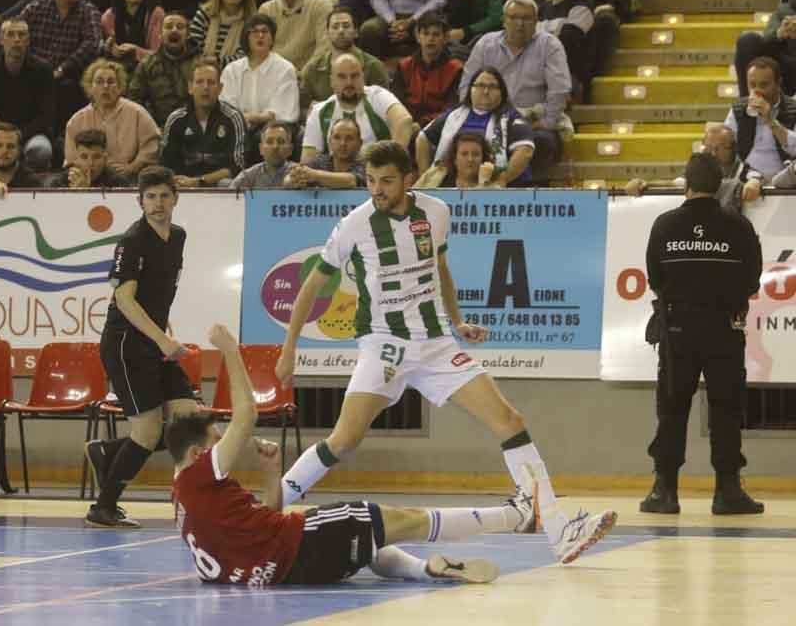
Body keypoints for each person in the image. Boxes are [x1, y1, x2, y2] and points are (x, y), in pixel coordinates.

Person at [274, 140, 617, 564]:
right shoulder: (354, 225)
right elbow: (311, 285)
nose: (376, 190)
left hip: (436, 344)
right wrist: (289, 349)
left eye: (386, 181)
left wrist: (456, 321)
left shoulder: (437, 213)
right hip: (385, 345)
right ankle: (271, 506)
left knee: (510, 420)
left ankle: (558, 528)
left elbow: (440, 268)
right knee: (345, 439)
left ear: (408, 180)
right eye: (370, 181)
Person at [169, 323, 533, 586]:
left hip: (295, 573)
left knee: (368, 546)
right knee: (407, 520)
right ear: (199, 453)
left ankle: (427, 571)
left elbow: (261, 524)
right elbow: (246, 417)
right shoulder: (200, 475)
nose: (222, 448)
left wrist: (271, 474)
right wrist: (230, 350)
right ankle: (514, 515)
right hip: (302, 543)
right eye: (216, 443)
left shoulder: (182, 501)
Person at [642, 152, 764, 516]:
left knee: (672, 409)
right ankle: (727, 492)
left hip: (677, 331)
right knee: (726, 410)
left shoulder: (664, 225)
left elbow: (655, 278)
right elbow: (753, 279)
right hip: (724, 331)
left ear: (688, 183)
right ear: (720, 183)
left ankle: (665, 491)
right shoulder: (738, 226)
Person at [82, 166, 200, 527]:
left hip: (153, 344)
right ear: (140, 201)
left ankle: (109, 452)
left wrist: (162, 338)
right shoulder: (132, 241)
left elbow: (160, 295)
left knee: (189, 421)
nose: (158, 203)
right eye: (150, 197)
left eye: (164, 195)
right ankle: (103, 507)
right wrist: (163, 339)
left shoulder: (177, 237)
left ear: (175, 198)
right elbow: (126, 300)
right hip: (126, 345)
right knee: (147, 431)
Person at [459, 0, 571, 180]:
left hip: (532, 122)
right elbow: (466, 86)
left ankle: (518, 193)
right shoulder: (486, 44)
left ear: (536, 22)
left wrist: (546, 122)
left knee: (542, 141)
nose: (519, 24)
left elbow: (559, 91)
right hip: (488, 119)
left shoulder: (550, 45)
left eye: (526, 19)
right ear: (504, 20)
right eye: (513, 18)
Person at [417, 67, 535, 187]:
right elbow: (422, 139)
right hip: (453, 185)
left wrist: (501, 180)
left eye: (492, 87)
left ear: (502, 92)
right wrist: (427, 176)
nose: (485, 91)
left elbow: (525, 151)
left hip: (501, 187)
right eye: (480, 85)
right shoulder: (454, 115)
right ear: (470, 89)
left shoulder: (511, 117)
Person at [20, 0, 103, 133]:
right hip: (32, 71)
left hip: (69, 76)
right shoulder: (34, 9)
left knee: (68, 89)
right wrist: (35, 66)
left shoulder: (88, 11)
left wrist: (63, 69)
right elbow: (16, 36)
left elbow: (92, 44)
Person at [301, 53, 413, 163]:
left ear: (362, 78)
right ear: (332, 81)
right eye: (342, 77)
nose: (349, 82)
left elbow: (404, 121)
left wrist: (391, 162)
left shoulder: (377, 96)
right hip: (336, 176)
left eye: (354, 76)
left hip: (377, 172)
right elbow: (308, 159)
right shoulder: (319, 111)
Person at [625, 125, 763, 211]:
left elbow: (756, 178)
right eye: (708, 148)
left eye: (719, 148)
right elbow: (676, 183)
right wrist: (644, 184)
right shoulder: (699, 168)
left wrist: (755, 183)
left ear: (733, 148)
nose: (713, 154)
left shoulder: (744, 169)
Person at [220, 13, 299, 164]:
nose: (260, 36)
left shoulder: (285, 69)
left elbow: (283, 113)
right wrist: (253, 118)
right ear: (246, 37)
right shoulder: (232, 70)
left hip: (275, 129)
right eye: (255, 32)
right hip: (238, 127)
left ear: (272, 38)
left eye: (265, 31)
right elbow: (226, 108)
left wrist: (253, 118)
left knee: (261, 138)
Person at [0, 18, 55, 171]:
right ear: (1, 39)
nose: (17, 40)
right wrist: (3, 135)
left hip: (32, 133)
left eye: (21, 35)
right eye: (11, 34)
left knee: (41, 151)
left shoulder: (43, 70)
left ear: (28, 40)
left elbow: (48, 115)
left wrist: (20, 134)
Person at [64, 59, 160, 181]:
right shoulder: (77, 120)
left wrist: (132, 167)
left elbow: (152, 146)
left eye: (111, 82)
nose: (105, 86)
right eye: (99, 81)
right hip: (88, 179)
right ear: (90, 88)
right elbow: (71, 159)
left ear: (120, 87)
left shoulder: (137, 113)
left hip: (131, 179)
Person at [161, 56, 247, 187]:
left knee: (227, 183)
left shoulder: (233, 118)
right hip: (182, 187)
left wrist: (199, 181)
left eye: (211, 82)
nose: (205, 87)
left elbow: (238, 166)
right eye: (200, 82)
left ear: (220, 88)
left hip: (220, 188)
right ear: (190, 87)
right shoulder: (176, 119)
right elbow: (166, 164)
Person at [299, 6, 389, 112]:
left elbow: (383, 106)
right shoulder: (313, 69)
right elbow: (302, 108)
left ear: (356, 32)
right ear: (327, 33)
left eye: (346, 26)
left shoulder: (374, 66)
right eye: (335, 27)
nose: (341, 31)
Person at [723, 56, 796, 180]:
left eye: (764, 85)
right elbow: (726, 143)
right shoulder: (739, 109)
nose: (757, 91)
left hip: (784, 181)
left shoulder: (793, 109)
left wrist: (770, 120)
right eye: (752, 85)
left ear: (778, 84)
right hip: (746, 179)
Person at [391, 12, 464, 127]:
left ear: (445, 38)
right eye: (425, 34)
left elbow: (452, 110)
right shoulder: (404, 66)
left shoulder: (456, 69)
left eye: (436, 34)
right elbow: (395, 103)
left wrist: (422, 124)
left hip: (438, 128)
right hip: (406, 124)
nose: (430, 39)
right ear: (418, 37)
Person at [258, 0, 332, 73]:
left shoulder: (321, 5)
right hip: (274, 74)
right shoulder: (266, 9)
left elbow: (324, 48)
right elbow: (261, 49)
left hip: (310, 76)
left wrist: (303, 74)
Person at [127, 11, 199, 128]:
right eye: (169, 26)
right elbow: (134, 100)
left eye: (180, 27)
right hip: (157, 129)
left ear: (188, 34)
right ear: (160, 34)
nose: (174, 30)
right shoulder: (147, 65)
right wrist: (151, 126)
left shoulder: (200, 63)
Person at [535, 0, 594, 96]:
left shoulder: (581, 6)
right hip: (538, 75)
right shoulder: (540, 10)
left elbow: (566, 43)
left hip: (568, 77)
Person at [101, 0, 165, 74]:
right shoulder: (108, 16)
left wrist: (135, 51)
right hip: (117, 69)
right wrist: (110, 49)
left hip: (149, 69)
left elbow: (158, 54)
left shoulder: (156, 13)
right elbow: (105, 50)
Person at [189, 0, 257, 67]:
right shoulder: (204, 15)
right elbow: (192, 48)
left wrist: (217, 61)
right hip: (201, 71)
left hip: (236, 75)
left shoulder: (252, 22)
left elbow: (245, 56)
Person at [287, 118, 366, 188]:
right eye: (337, 138)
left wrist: (315, 175)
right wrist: (291, 181)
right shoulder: (319, 162)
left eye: (349, 138)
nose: (343, 143)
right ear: (329, 142)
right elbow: (288, 179)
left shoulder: (366, 165)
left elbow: (351, 181)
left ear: (360, 144)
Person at [225, 121, 297, 189]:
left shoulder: (300, 174)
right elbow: (228, 199)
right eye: (269, 142)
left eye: (281, 142)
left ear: (290, 149)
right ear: (261, 149)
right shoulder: (247, 177)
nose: (275, 146)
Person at [51, 129, 132, 188]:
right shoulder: (60, 183)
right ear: (76, 159)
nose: (90, 163)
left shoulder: (118, 183)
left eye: (96, 157)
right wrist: (74, 193)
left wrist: (87, 191)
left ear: (105, 158)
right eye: (84, 157)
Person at [414, 130, 495, 189]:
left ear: (483, 158)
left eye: (476, 154)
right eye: (464, 154)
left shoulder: (494, 184)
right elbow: (412, 199)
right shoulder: (434, 173)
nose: (470, 159)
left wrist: (483, 183)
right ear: (454, 158)